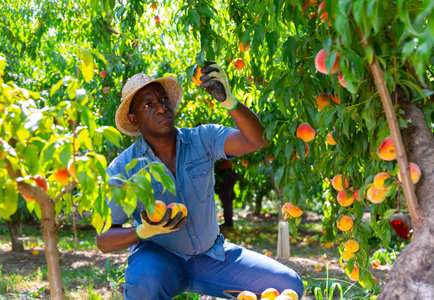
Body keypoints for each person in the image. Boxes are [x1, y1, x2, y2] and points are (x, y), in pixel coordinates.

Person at [96, 61, 304, 299]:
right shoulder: (124, 168)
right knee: (145, 281)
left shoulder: (202, 139)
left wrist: (229, 101)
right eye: (148, 105)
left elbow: (256, 140)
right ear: (134, 119)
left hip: (212, 257)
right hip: (159, 259)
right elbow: (104, 240)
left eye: (163, 100)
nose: (162, 108)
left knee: (288, 284)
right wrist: (144, 230)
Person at [215, 158, 238, 227]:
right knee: (226, 199)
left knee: (226, 199)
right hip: (226, 173)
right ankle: (228, 222)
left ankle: (228, 223)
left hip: (226, 173)